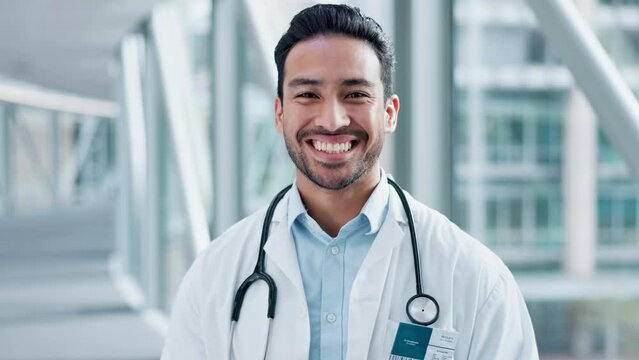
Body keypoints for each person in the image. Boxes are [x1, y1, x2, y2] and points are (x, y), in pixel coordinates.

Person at [161, 4, 539, 360]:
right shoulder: (215, 275)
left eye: (355, 94)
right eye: (308, 94)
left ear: (389, 113)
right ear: (279, 113)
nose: (332, 119)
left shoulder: (476, 279)